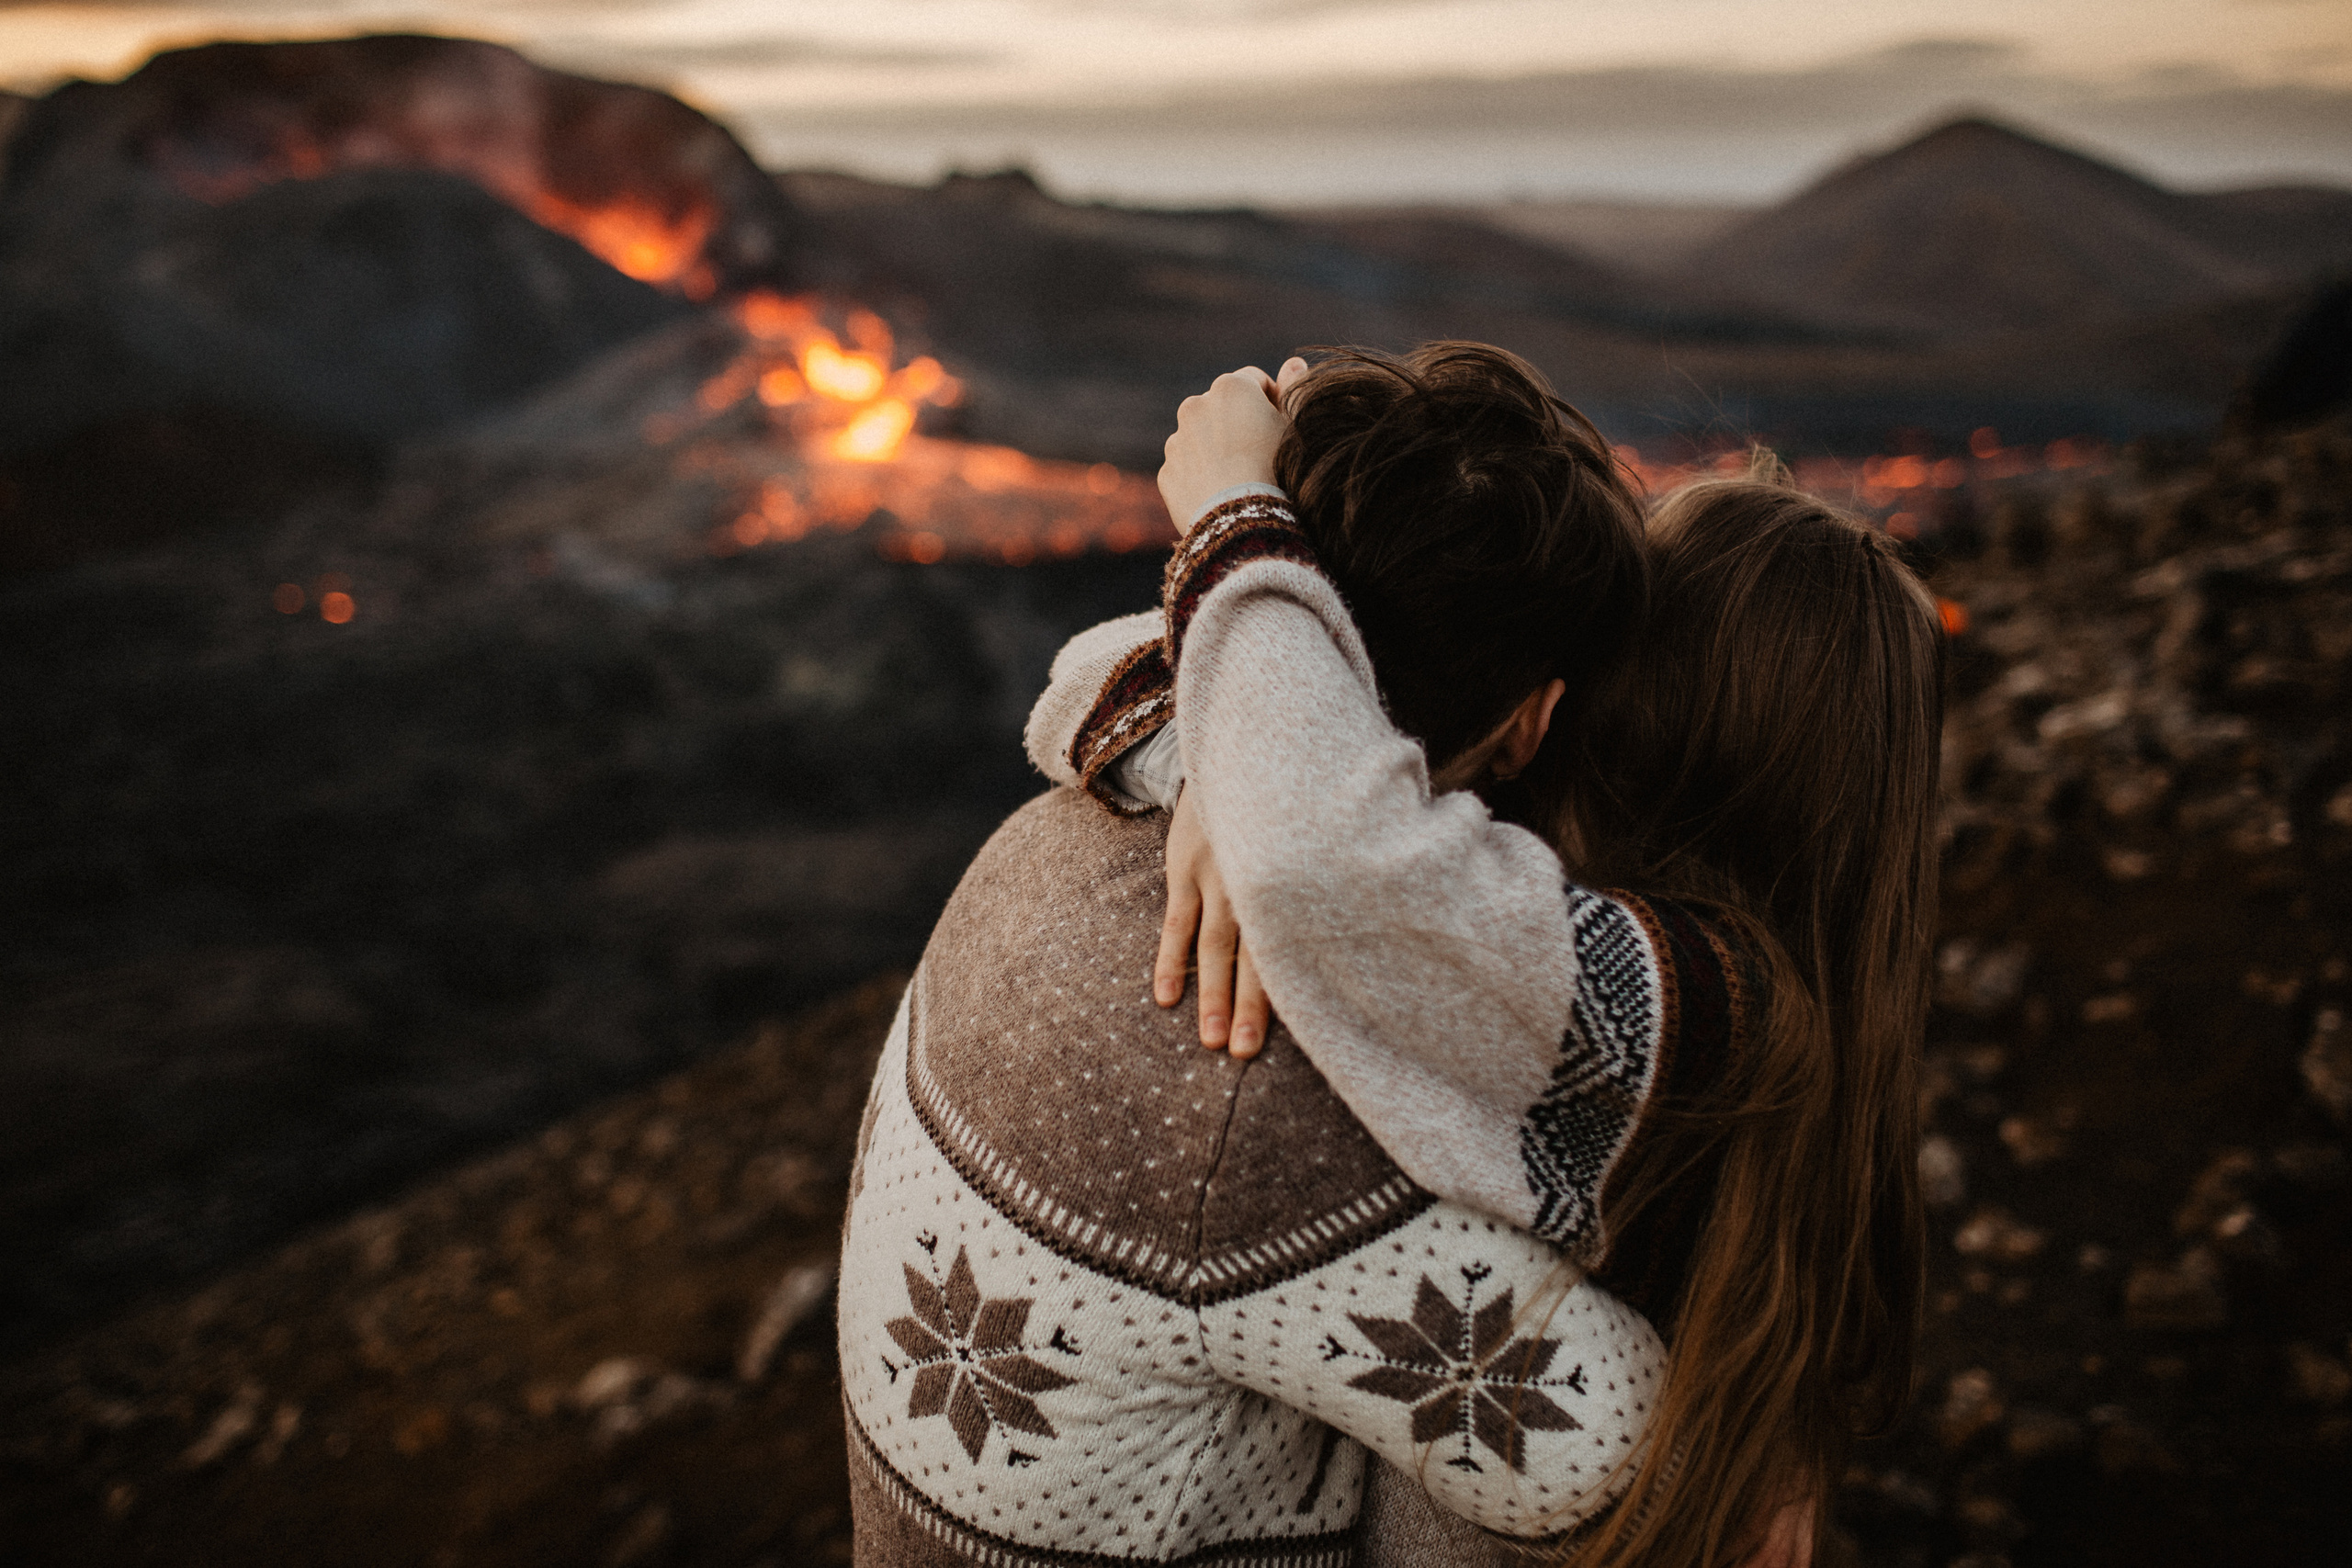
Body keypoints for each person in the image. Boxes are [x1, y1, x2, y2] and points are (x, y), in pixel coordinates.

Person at [1027, 356, 1944, 1565]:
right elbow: (1085, 681)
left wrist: (1232, 515)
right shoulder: (1709, 980)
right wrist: (1220, 760)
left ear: (1638, 702)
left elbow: (1308, 847)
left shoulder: (1665, 1007)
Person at [836, 344, 1702, 1567]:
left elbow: (1110, 672)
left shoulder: (1051, 826)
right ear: (1532, 725)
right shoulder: (1283, 1081)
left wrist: (1216, 750)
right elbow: (1616, 1445)